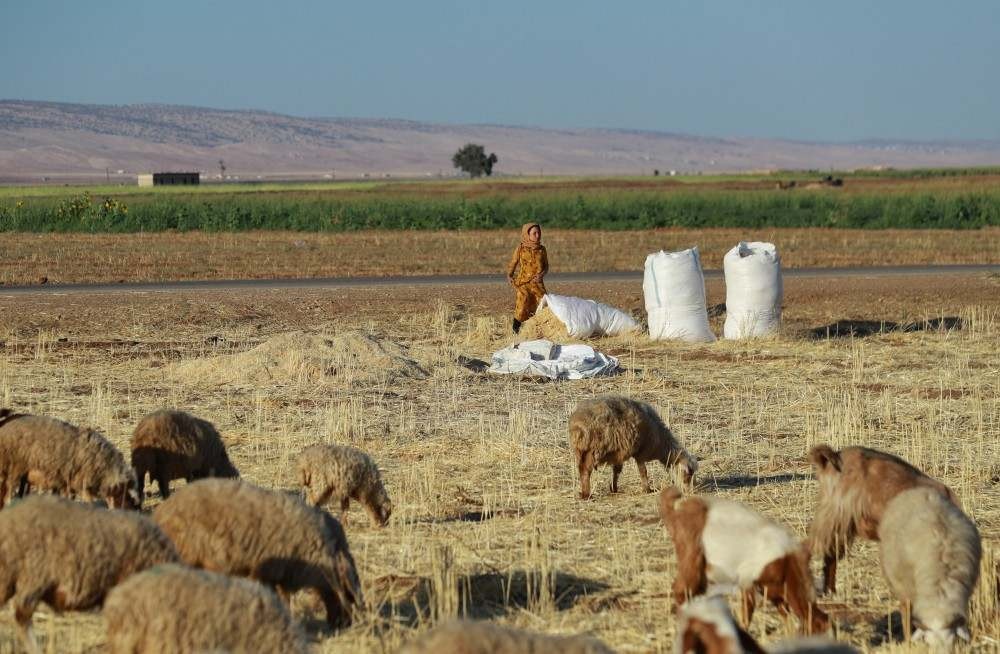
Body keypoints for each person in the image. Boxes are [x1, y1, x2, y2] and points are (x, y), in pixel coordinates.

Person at [506, 222, 548, 333]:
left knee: (543, 303)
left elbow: (546, 267)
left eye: (539, 232)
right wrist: (509, 275)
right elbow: (513, 262)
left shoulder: (542, 250)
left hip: (537, 283)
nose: (537, 235)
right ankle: (516, 328)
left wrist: (541, 275)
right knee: (523, 301)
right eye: (534, 233)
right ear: (527, 234)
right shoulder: (520, 248)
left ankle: (539, 329)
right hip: (523, 282)